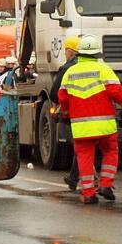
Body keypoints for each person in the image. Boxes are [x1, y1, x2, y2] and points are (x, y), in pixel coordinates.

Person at [58, 35, 122, 204]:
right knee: (111, 151)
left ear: (79, 53)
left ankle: (88, 193)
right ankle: (105, 184)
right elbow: (116, 92)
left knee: (84, 157)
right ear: (97, 54)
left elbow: (62, 98)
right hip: (105, 126)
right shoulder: (104, 70)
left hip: (81, 126)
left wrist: (66, 112)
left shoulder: (69, 73)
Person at [49, 36, 81, 191]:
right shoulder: (93, 67)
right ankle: (75, 178)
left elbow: (55, 93)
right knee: (84, 147)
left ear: (70, 51)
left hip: (70, 113)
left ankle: (77, 178)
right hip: (91, 113)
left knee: (79, 147)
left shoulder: (67, 68)